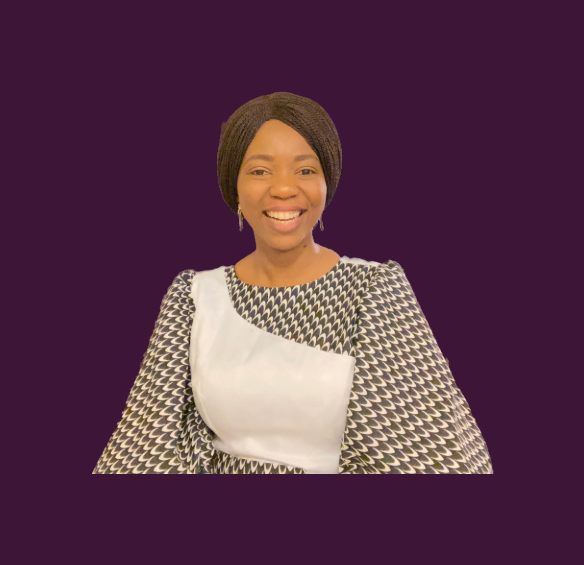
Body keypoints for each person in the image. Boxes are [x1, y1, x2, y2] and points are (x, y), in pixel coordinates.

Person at [93, 92, 493, 474]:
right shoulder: (194, 299)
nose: (284, 188)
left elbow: (425, 451)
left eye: (305, 170)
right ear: (234, 185)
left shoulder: (374, 289)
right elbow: (145, 445)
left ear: (326, 183)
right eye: (260, 171)